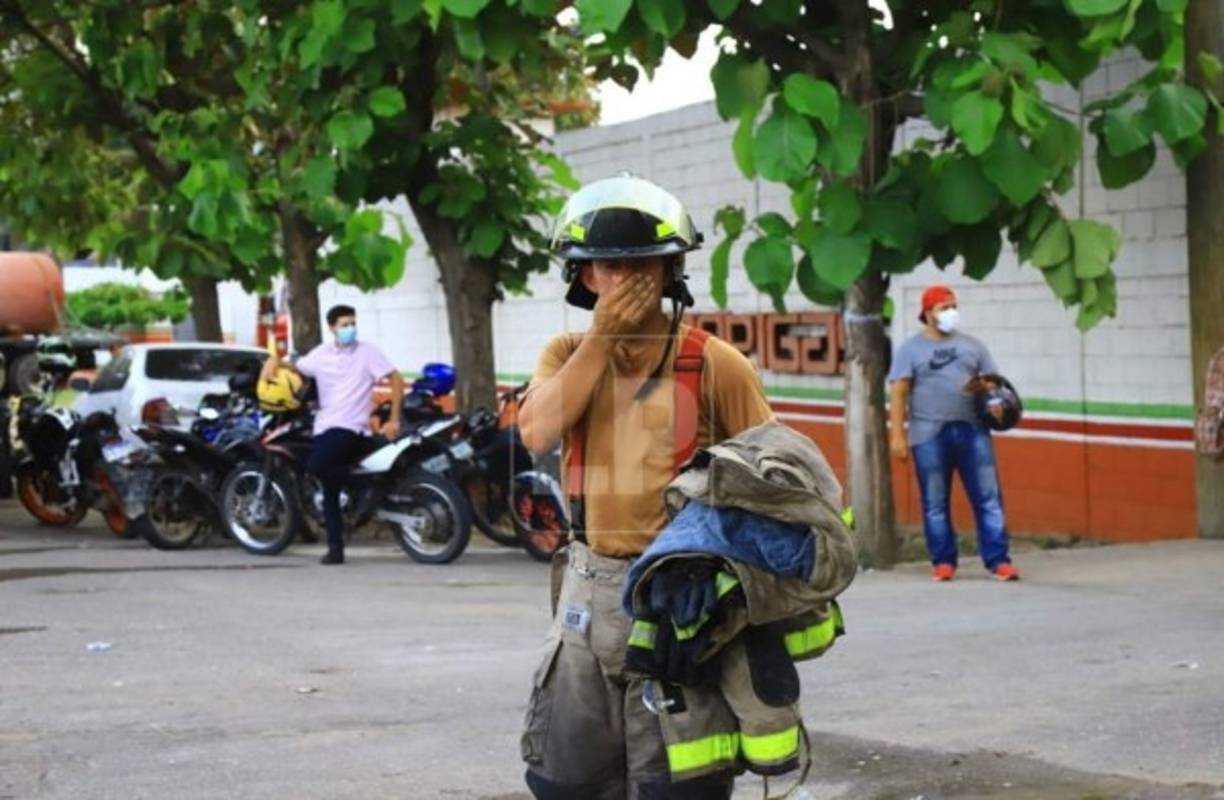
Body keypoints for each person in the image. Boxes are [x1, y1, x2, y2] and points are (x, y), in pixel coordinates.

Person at [516, 175, 775, 799]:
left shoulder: (715, 363)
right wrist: (602, 340)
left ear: (669, 273)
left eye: (644, 266)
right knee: (567, 784)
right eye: (610, 266)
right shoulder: (565, 352)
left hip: (679, 602)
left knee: (676, 788)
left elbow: (774, 485)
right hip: (586, 595)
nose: (628, 279)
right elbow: (536, 432)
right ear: (584, 277)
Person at [887, 285, 1020, 582]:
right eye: (944, 307)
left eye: (953, 306)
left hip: (974, 431)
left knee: (988, 497)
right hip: (928, 435)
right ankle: (944, 561)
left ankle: (999, 560)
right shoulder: (911, 350)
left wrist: (985, 390)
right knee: (935, 501)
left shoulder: (973, 346)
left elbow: (994, 383)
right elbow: (898, 393)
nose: (951, 312)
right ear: (928, 313)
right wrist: (897, 436)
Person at [261, 304, 403, 565]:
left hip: (352, 427)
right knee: (329, 490)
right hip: (325, 425)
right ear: (332, 328)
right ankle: (335, 549)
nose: (350, 328)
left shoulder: (367, 352)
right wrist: (274, 361)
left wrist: (394, 418)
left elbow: (395, 379)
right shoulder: (321, 355)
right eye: (344, 324)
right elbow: (297, 367)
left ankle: (364, 483)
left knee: (317, 465)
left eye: (352, 323)